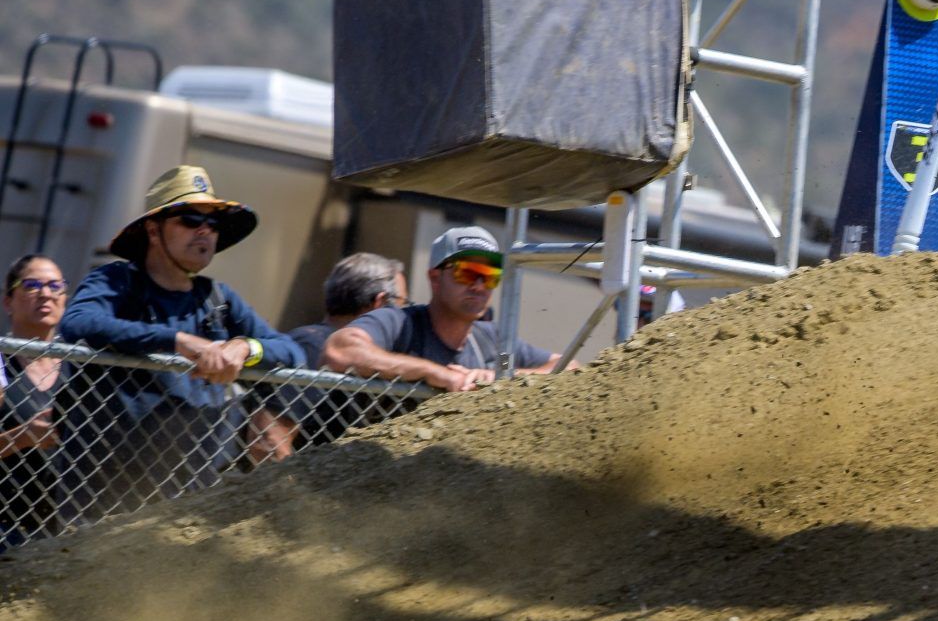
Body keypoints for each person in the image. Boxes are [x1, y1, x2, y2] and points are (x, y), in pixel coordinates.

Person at [53, 166, 306, 527]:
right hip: (102, 498)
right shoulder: (118, 281)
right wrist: (177, 341)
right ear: (153, 230)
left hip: (189, 502)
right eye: (190, 220)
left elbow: (292, 352)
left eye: (213, 224)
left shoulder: (217, 298)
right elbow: (78, 322)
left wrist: (244, 348)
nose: (205, 231)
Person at [324, 226, 567, 391]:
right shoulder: (400, 323)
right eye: (467, 273)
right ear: (435, 278)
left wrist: (503, 376)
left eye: (489, 275)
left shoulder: (494, 342)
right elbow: (339, 349)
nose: (479, 286)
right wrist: (433, 373)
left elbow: (566, 366)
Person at [256, 252, 409, 457]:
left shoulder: (316, 343)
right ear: (380, 303)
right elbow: (268, 439)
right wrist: (290, 479)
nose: (404, 313)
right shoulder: (312, 346)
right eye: (403, 303)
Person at [2, 254, 69, 548]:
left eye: (56, 286)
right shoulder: (1, 363)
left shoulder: (82, 365)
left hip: (69, 525)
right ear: (8, 302)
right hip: (8, 526)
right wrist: (22, 437)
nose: (46, 294)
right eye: (31, 285)